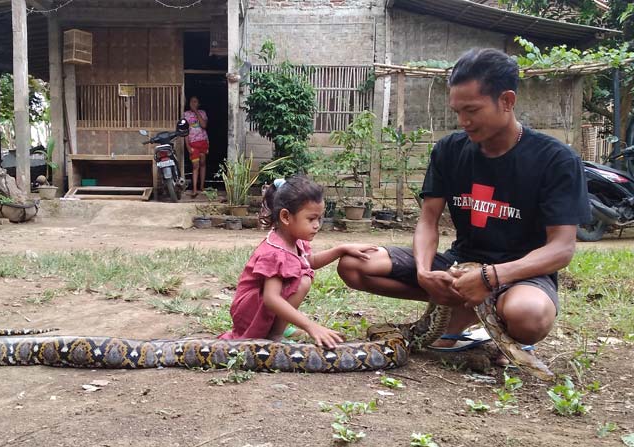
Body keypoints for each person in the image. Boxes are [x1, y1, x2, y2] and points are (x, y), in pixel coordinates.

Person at [337, 48, 590, 356]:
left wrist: (490, 277)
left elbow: (561, 248)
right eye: (457, 111)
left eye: (471, 110)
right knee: (354, 266)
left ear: (507, 101)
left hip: (519, 274)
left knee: (529, 316)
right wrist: (424, 272)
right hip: (458, 266)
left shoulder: (556, 159)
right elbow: (428, 220)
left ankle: (477, 318)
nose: (463, 121)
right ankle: (461, 311)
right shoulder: (449, 150)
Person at [218, 176, 378, 347]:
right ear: (286, 217)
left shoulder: (295, 240)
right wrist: (311, 326)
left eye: (319, 219)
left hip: (262, 306)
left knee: (303, 278)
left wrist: (341, 249)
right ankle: (274, 335)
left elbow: (310, 261)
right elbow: (271, 298)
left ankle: (277, 328)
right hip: (249, 313)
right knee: (302, 280)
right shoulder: (275, 253)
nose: (317, 225)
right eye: (311, 219)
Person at [183, 96, 210, 198]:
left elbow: (203, 125)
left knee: (203, 163)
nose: (193, 103)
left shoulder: (202, 113)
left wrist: (196, 112)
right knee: (195, 166)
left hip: (203, 142)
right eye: (192, 101)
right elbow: (185, 132)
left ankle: (202, 187)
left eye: (195, 102)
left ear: (199, 104)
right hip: (193, 143)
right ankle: (194, 189)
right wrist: (187, 146)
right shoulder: (186, 115)